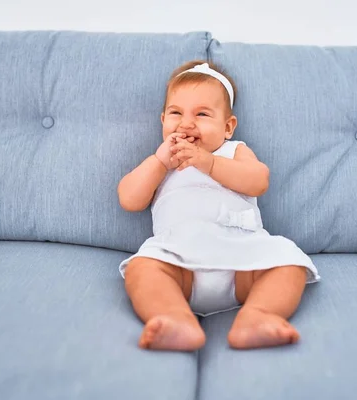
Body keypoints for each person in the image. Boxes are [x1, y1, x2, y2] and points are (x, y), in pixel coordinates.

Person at [117, 60, 320, 351]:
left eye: (201, 114)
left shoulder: (234, 150)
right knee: (142, 267)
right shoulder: (162, 162)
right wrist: (160, 162)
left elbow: (258, 180)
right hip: (179, 261)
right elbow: (129, 198)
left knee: (289, 262)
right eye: (176, 113)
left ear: (227, 127)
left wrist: (207, 162)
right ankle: (174, 318)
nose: (187, 123)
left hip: (242, 259)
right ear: (163, 121)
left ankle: (258, 316)